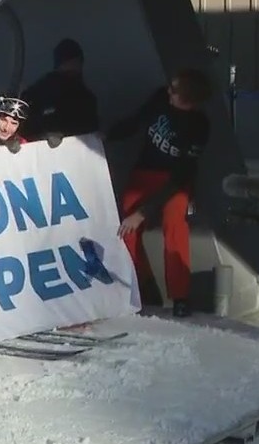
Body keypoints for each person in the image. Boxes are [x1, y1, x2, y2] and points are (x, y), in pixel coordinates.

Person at [109, 68, 212, 318]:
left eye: (174, 90)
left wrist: (143, 214)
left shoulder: (198, 126)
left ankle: (180, 296)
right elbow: (136, 121)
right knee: (126, 228)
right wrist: (108, 135)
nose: (168, 91)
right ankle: (137, 286)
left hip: (174, 180)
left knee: (174, 226)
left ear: (187, 98)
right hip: (145, 172)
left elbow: (180, 176)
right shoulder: (159, 99)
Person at [20, 38, 99, 139]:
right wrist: (43, 136)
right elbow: (24, 125)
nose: (72, 65)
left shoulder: (88, 99)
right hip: (43, 150)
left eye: (76, 61)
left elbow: (91, 131)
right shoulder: (40, 91)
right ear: (59, 64)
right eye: (68, 61)